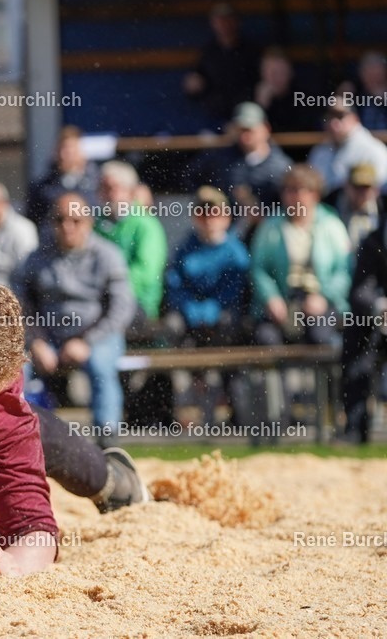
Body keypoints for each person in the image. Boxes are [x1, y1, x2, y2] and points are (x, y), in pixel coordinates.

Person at [15, 192, 136, 443]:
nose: (67, 226)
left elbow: (121, 309)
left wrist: (87, 341)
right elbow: (22, 305)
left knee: (101, 366)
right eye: (60, 220)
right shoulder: (37, 257)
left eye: (75, 220)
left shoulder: (107, 255)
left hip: (98, 337)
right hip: (47, 338)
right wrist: (36, 341)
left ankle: (107, 440)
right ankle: (17, 437)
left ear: (89, 222)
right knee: (14, 368)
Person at [163, 187, 252, 425]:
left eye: (214, 213)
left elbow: (233, 291)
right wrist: (191, 310)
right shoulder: (185, 248)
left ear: (226, 217)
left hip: (222, 324)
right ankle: (182, 394)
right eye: (202, 213)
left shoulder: (235, 252)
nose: (208, 219)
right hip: (189, 321)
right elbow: (175, 285)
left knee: (226, 327)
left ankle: (218, 395)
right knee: (171, 327)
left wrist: (210, 311)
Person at [251, 165, 351, 347]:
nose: (293, 196)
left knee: (319, 336)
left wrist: (324, 297)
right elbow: (259, 268)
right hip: (284, 299)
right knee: (267, 339)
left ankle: (330, 375)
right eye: (288, 190)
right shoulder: (271, 226)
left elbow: (344, 270)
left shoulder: (332, 225)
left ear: (315, 194)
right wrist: (271, 298)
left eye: (299, 190)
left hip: (322, 300)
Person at [94, 161, 167, 335]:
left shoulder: (146, 225)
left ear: (131, 191)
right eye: (103, 188)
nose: (108, 194)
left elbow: (146, 273)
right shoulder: (94, 225)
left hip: (137, 303)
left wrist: (111, 290)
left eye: (113, 187)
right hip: (100, 301)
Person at [341, 202, 387, 443]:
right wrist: (380, 307)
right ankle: (355, 426)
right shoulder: (372, 242)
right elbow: (359, 292)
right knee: (356, 333)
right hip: (377, 323)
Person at [183, 3, 262, 124]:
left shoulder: (252, 50)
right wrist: (192, 84)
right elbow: (196, 80)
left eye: (228, 19)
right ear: (213, 23)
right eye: (220, 20)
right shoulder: (208, 51)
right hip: (215, 115)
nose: (224, 24)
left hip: (246, 113)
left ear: (237, 21)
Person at [25, 126, 100, 229]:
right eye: (61, 149)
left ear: (81, 153)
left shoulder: (97, 185)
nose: (63, 156)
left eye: (70, 151)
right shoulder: (42, 189)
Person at [308, 103, 387, 194]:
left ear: (355, 118)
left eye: (340, 116)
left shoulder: (374, 150)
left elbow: (381, 192)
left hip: (363, 207)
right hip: (327, 205)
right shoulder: (320, 151)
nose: (333, 123)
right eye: (329, 117)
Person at [253, 47, 319, 133]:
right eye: (273, 73)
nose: (277, 78)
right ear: (262, 74)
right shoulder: (250, 98)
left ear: (291, 73)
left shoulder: (303, 99)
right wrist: (261, 107)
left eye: (282, 72)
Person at [323, 162, 385, 251]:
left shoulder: (383, 210)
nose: (361, 192)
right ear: (346, 185)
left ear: (376, 189)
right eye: (357, 186)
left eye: (366, 187)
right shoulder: (330, 205)